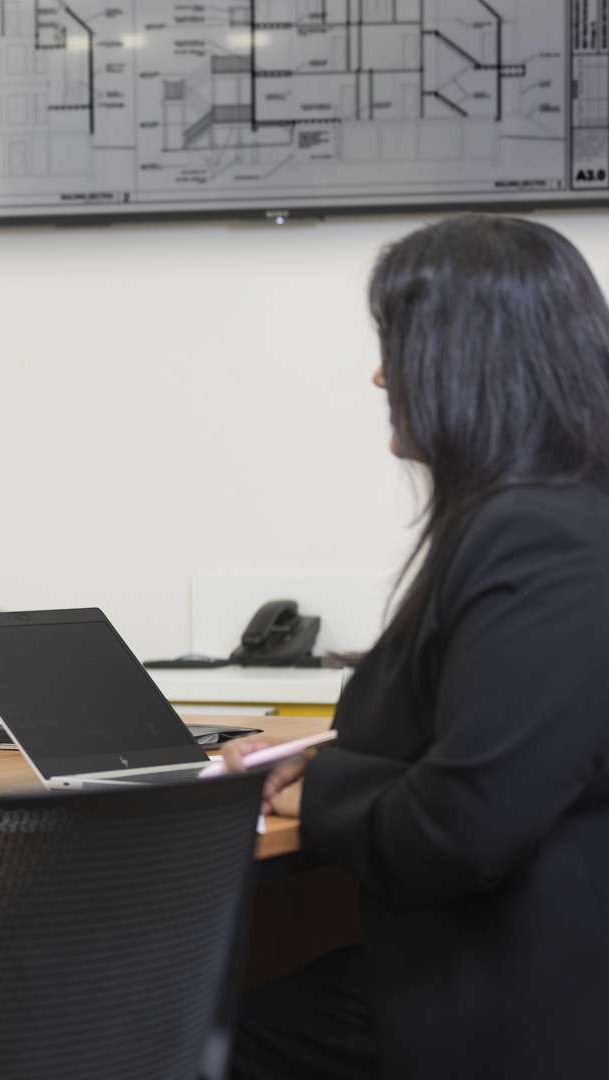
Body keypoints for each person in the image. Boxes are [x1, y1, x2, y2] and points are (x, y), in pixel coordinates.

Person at [224, 216, 609, 1078]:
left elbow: (466, 821)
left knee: (157, 1027)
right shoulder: (547, 514)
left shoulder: (541, 535)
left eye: (395, 344)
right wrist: (323, 754)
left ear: (472, 359)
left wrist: (321, 789)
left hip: (512, 1005)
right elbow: (485, 737)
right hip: (496, 969)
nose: (378, 373)